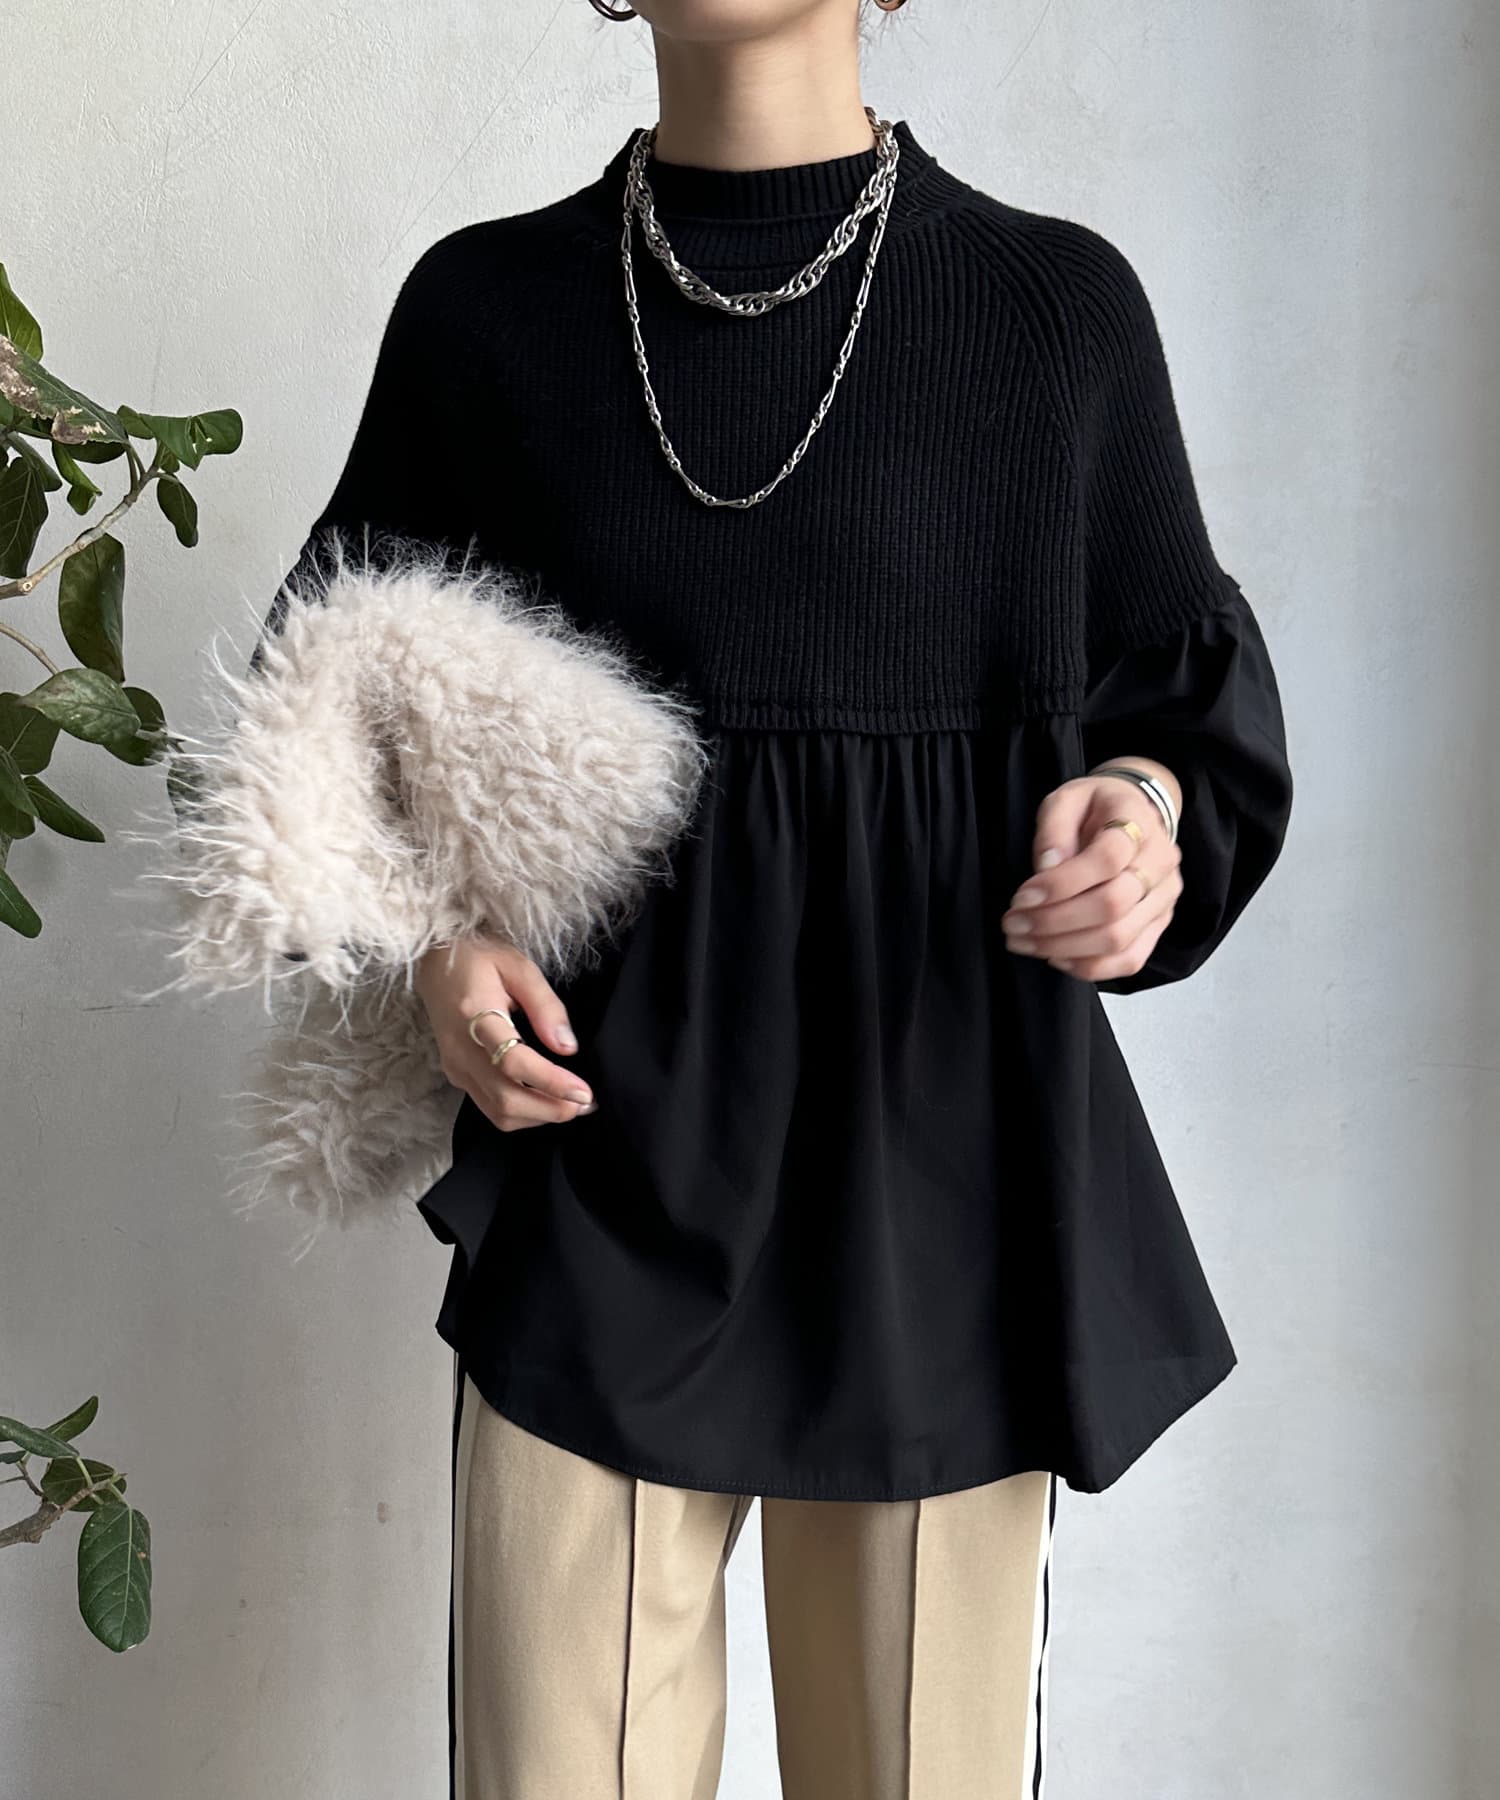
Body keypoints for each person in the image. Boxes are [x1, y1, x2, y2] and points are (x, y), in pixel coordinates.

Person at [259, 4, 1294, 1794]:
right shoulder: (487, 313)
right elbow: (329, 706)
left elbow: (1182, 714)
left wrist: (1139, 821)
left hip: (949, 1168)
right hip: (594, 1160)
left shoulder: (1055, 315)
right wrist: (432, 941)